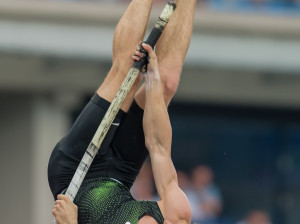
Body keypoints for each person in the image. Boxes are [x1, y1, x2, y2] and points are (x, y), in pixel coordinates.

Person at [48, 0, 196, 223]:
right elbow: (158, 147)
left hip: (74, 174)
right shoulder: (176, 216)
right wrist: (153, 79)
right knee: (166, 83)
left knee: (127, 71)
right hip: (120, 172)